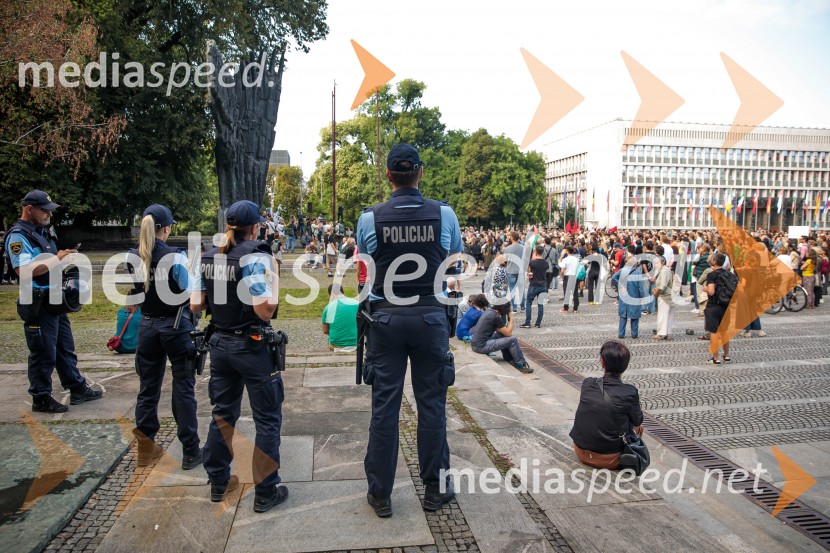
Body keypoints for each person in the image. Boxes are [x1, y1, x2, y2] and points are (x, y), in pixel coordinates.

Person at [355, 143, 462, 518]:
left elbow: (363, 278)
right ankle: (435, 488)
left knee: (384, 407)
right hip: (431, 316)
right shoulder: (444, 214)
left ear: (388, 176)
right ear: (420, 172)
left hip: (385, 318)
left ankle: (380, 493)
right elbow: (454, 269)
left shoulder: (370, 218)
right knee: (431, 406)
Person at [190, 200, 286, 513]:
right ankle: (266, 490)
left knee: (223, 413)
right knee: (267, 418)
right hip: (251, 346)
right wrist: (275, 275)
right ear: (256, 227)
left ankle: (218, 480)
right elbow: (265, 309)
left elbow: (196, 305)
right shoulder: (255, 256)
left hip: (219, 343)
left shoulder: (209, 254)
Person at [5, 190, 102, 413]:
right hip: (37, 302)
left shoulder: (42, 231)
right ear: (29, 209)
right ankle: (40, 396)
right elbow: (24, 270)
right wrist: (56, 258)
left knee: (64, 347)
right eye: (44, 209)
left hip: (55, 299)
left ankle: (76, 387)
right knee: (43, 351)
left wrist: (63, 259)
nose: (49, 213)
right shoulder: (19, 236)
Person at [127, 204, 201, 468]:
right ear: (166, 228)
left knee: (147, 390)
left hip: (146, 327)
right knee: (183, 387)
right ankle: (191, 450)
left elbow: (135, 293)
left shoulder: (132, 256)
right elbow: (192, 294)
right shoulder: (175, 257)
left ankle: (145, 451)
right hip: (175, 326)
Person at [569, 341, 644, 470]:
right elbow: (637, 421)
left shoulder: (588, 383)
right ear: (625, 366)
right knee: (638, 426)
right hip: (609, 459)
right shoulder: (629, 391)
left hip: (580, 450)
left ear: (602, 362)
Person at [470, 302, 533, 373]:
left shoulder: (489, 311)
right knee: (513, 339)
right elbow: (509, 333)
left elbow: (503, 331)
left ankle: (508, 359)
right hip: (481, 347)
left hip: (475, 344)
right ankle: (521, 365)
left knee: (502, 335)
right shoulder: (495, 316)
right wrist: (511, 318)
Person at [704, 252, 732, 364]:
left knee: (714, 332)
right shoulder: (729, 273)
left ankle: (715, 358)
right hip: (726, 305)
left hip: (714, 306)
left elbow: (711, 291)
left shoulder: (712, 275)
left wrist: (705, 288)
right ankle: (726, 355)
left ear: (714, 262)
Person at [613, 255, 648, 339]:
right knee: (635, 316)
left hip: (623, 296)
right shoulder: (637, 273)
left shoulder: (621, 271)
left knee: (623, 315)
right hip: (634, 296)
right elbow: (641, 288)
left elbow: (614, 277)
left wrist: (621, 286)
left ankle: (621, 334)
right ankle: (634, 334)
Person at [321, 283, 359, 350]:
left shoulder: (328, 308)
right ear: (343, 292)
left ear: (331, 294)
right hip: (357, 343)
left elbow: (325, 330)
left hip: (337, 345)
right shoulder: (356, 303)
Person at [521, 245, 548, 328]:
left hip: (533, 285)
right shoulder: (546, 263)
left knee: (528, 303)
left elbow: (529, 272)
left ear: (535, 252)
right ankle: (538, 323)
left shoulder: (532, 262)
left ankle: (528, 322)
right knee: (540, 304)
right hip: (543, 285)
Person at [652, 255, 674, 340]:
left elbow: (663, 285)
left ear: (662, 262)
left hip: (665, 296)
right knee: (668, 315)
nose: (655, 265)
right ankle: (667, 332)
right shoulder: (664, 270)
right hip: (669, 295)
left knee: (663, 315)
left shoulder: (664, 270)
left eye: (657, 263)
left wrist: (656, 293)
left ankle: (662, 333)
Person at [503, 231, 525, 312]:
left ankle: (515, 308)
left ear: (512, 238)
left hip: (511, 270)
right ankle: (523, 307)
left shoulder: (508, 248)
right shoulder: (523, 248)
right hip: (520, 270)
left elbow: (505, 260)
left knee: (512, 290)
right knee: (521, 289)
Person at [559, 246, 580, 313]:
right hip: (574, 276)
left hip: (567, 276)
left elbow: (562, 270)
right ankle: (575, 308)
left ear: (567, 251)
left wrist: (561, 256)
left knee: (566, 292)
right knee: (575, 292)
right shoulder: (576, 259)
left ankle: (566, 307)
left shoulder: (565, 259)